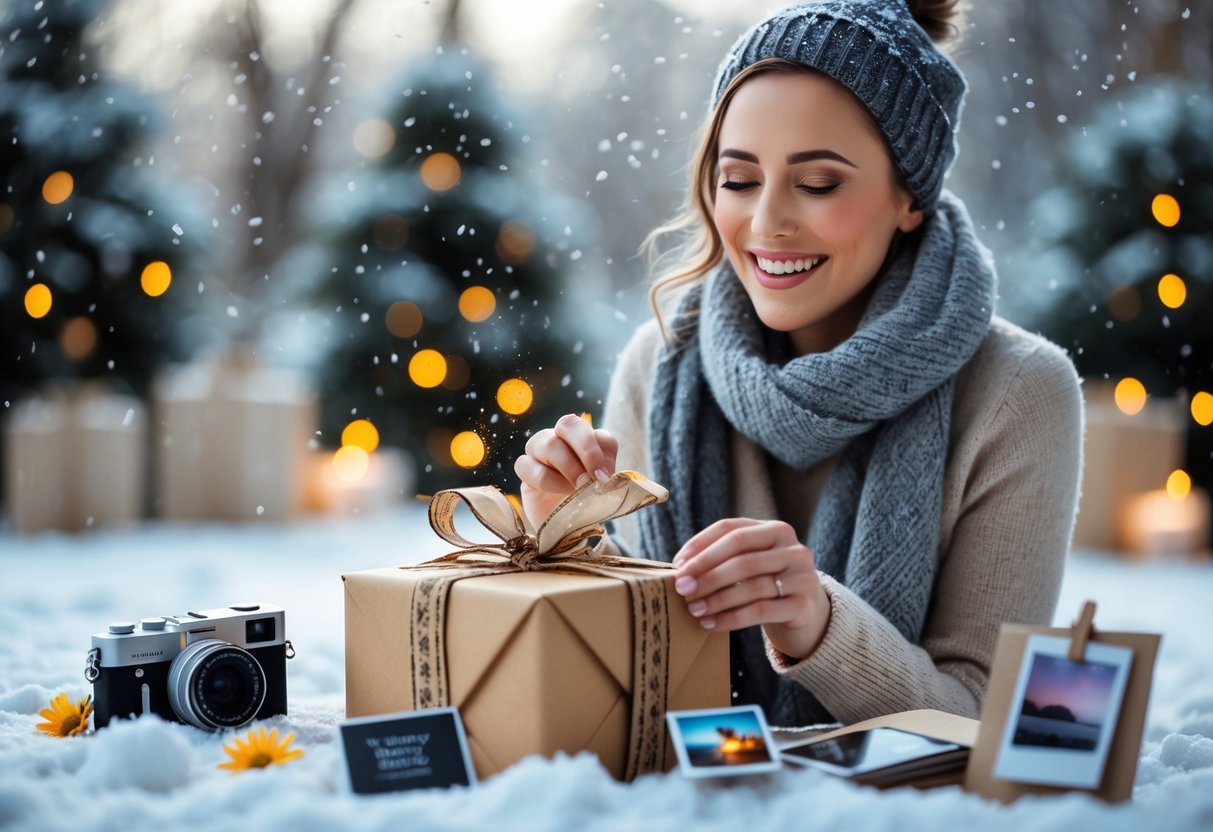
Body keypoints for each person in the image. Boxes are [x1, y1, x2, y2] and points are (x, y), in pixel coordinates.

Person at [514, 0, 1083, 727]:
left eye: (817, 184)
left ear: (908, 195)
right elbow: (621, 691)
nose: (766, 222)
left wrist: (818, 626)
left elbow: (991, 724)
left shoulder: (1017, 393)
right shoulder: (659, 365)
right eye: (739, 180)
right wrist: (563, 545)